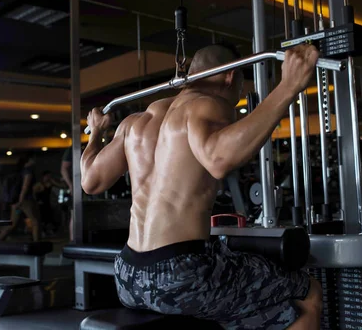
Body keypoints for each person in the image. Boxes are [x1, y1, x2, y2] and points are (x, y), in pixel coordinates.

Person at [81, 44, 322, 330]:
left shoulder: (136, 122)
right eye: (241, 86)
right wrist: (288, 87)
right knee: (308, 292)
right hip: (182, 275)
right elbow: (218, 159)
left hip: (127, 276)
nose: (239, 96)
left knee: (237, 295)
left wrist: (96, 132)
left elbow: (90, 181)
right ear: (230, 76)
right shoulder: (207, 104)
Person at [0, 153, 41, 242]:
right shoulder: (28, 171)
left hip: (16, 201)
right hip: (25, 200)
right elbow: (25, 186)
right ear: (29, 160)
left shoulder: (20, 171)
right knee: (35, 222)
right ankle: (37, 243)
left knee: (12, 223)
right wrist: (21, 200)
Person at [33, 170, 66, 236]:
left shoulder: (50, 183)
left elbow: (63, 186)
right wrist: (36, 201)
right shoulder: (39, 184)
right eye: (47, 176)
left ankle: (48, 231)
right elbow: (33, 193)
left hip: (47, 203)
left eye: (50, 176)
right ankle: (41, 232)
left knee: (49, 218)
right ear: (43, 176)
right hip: (40, 204)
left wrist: (55, 181)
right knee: (42, 218)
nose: (48, 177)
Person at [61, 146, 74, 240]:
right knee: (75, 214)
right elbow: (64, 169)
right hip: (78, 186)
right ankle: (74, 242)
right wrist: (71, 185)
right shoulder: (72, 149)